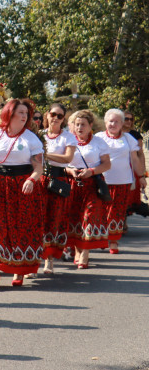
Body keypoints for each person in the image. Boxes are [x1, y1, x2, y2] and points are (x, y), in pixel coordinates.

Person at [0, 98, 46, 288]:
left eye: (27, 113)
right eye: (21, 113)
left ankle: (20, 269)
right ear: (9, 114)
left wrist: (32, 179)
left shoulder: (31, 139)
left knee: (21, 226)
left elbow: (39, 167)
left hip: (23, 185)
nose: (25, 117)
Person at [65, 110, 111, 269]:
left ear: (90, 125)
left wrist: (91, 171)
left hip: (92, 184)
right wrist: (71, 171)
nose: (79, 127)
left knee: (88, 217)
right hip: (72, 184)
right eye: (77, 124)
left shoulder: (99, 142)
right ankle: (77, 250)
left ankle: (84, 253)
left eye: (83, 124)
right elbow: (61, 165)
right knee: (75, 218)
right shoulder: (68, 141)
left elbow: (107, 164)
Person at [96, 109, 146, 253]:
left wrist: (141, 176)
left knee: (118, 212)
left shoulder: (128, 139)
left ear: (122, 123)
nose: (113, 124)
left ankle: (113, 241)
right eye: (110, 121)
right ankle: (103, 237)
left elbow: (135, 159)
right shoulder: (98, 138)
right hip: (103, 180)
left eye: (117, 121)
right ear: (106, 122)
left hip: (123, 181)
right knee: (103, 211)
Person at [39, 103, 76, 275]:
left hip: (58, 179)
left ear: (64, 119)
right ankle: (33, 259)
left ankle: (49, 260)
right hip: (39, 178)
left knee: (53, 219)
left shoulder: (67, 137)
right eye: (53, 114)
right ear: (47, 115)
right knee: (36, 218)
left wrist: (44, 154)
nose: (55, 118)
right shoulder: (38, 135)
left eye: (60, 116)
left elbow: (67, 158)